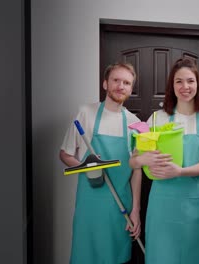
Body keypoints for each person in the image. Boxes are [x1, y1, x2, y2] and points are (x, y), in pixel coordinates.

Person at [129, 58, 199, 264]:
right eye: (178, 81)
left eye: (190, 81)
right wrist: (143, 158)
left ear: (198, 85)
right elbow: (134, 162)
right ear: (172, 86)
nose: (185, 87)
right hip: (162, 206)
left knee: (194, 257)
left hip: (195, 206)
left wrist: (178, 172)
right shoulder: (156, 119)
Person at [59, 62, 142, 264]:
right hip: (90, 205)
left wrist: (136, 210)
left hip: (119, 205)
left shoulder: (134, 124)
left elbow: (136, 170)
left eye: (126, 83)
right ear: (105, 84)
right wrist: (85, 166)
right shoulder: (86, 113)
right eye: (116, 80)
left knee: (115, 258)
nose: (120, 86)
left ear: (131, 89)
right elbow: (64, 154)